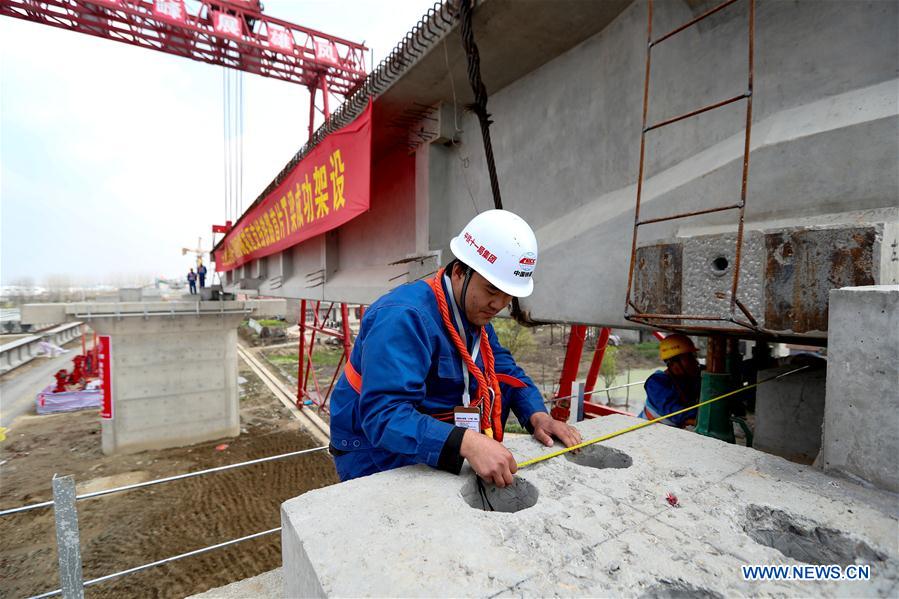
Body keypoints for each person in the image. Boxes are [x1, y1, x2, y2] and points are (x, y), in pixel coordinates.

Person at [329, 209, 581, 487]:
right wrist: (468, 442)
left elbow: (502, 368)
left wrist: (537, 415)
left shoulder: (470, 311)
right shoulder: (403, 317)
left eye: (509, 295)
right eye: (492, 290)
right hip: (372, 448)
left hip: (433, 435)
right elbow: (383, 415)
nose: (499, 305)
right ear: (460, 271)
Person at [640, 334, 702, 427]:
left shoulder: (688, 379)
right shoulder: (656, 383)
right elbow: (676, 414)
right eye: (689, 357)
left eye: (694, 356)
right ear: (673, 362)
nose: (695, 362)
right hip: (648, 431)